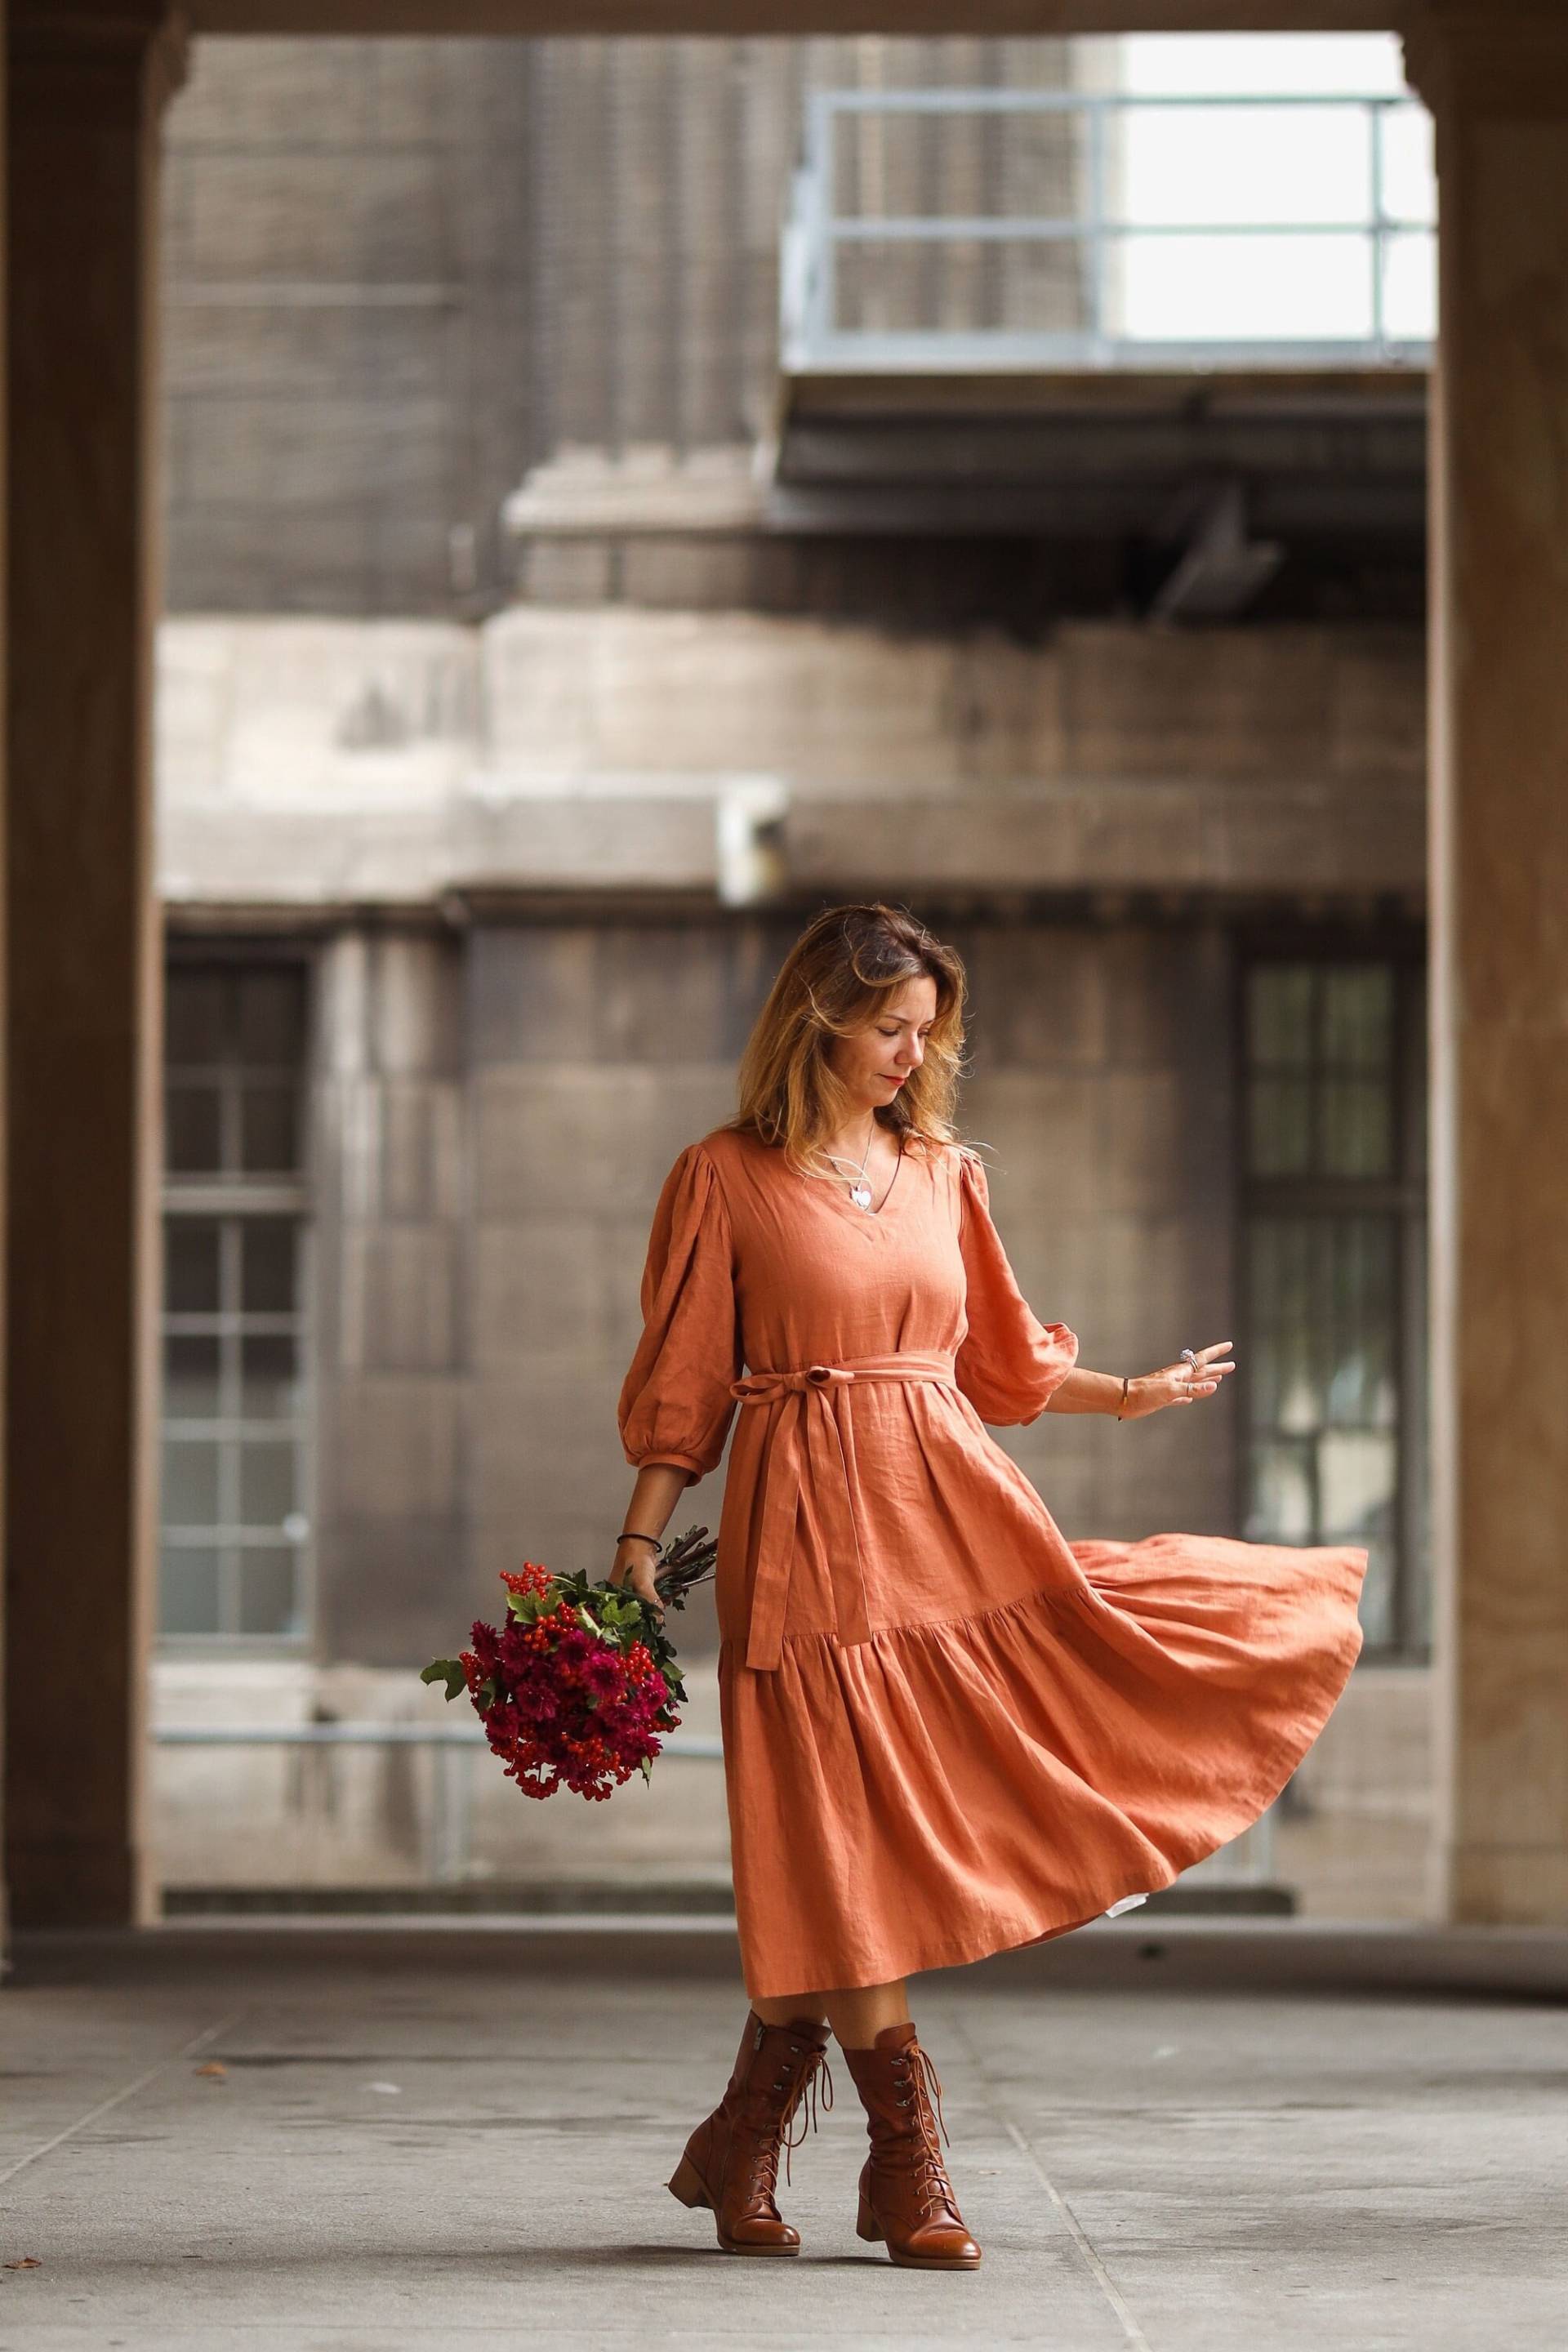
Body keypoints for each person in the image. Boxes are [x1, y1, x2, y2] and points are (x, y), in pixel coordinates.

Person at [611, 901, 1366, 2272]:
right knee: (826, 1831)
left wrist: (1134, 1392)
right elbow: (683, 1382)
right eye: (892, 1028)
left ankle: (741, 2142)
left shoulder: (944, 1173)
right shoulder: (721, 1175)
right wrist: (631, 1551)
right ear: (820, 1017)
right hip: (794, 1533)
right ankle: (907, 2167)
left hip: (941, 1519)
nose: (913, 1055)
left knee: (852, 1836)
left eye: (927, 1034)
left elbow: (1001, 1363)